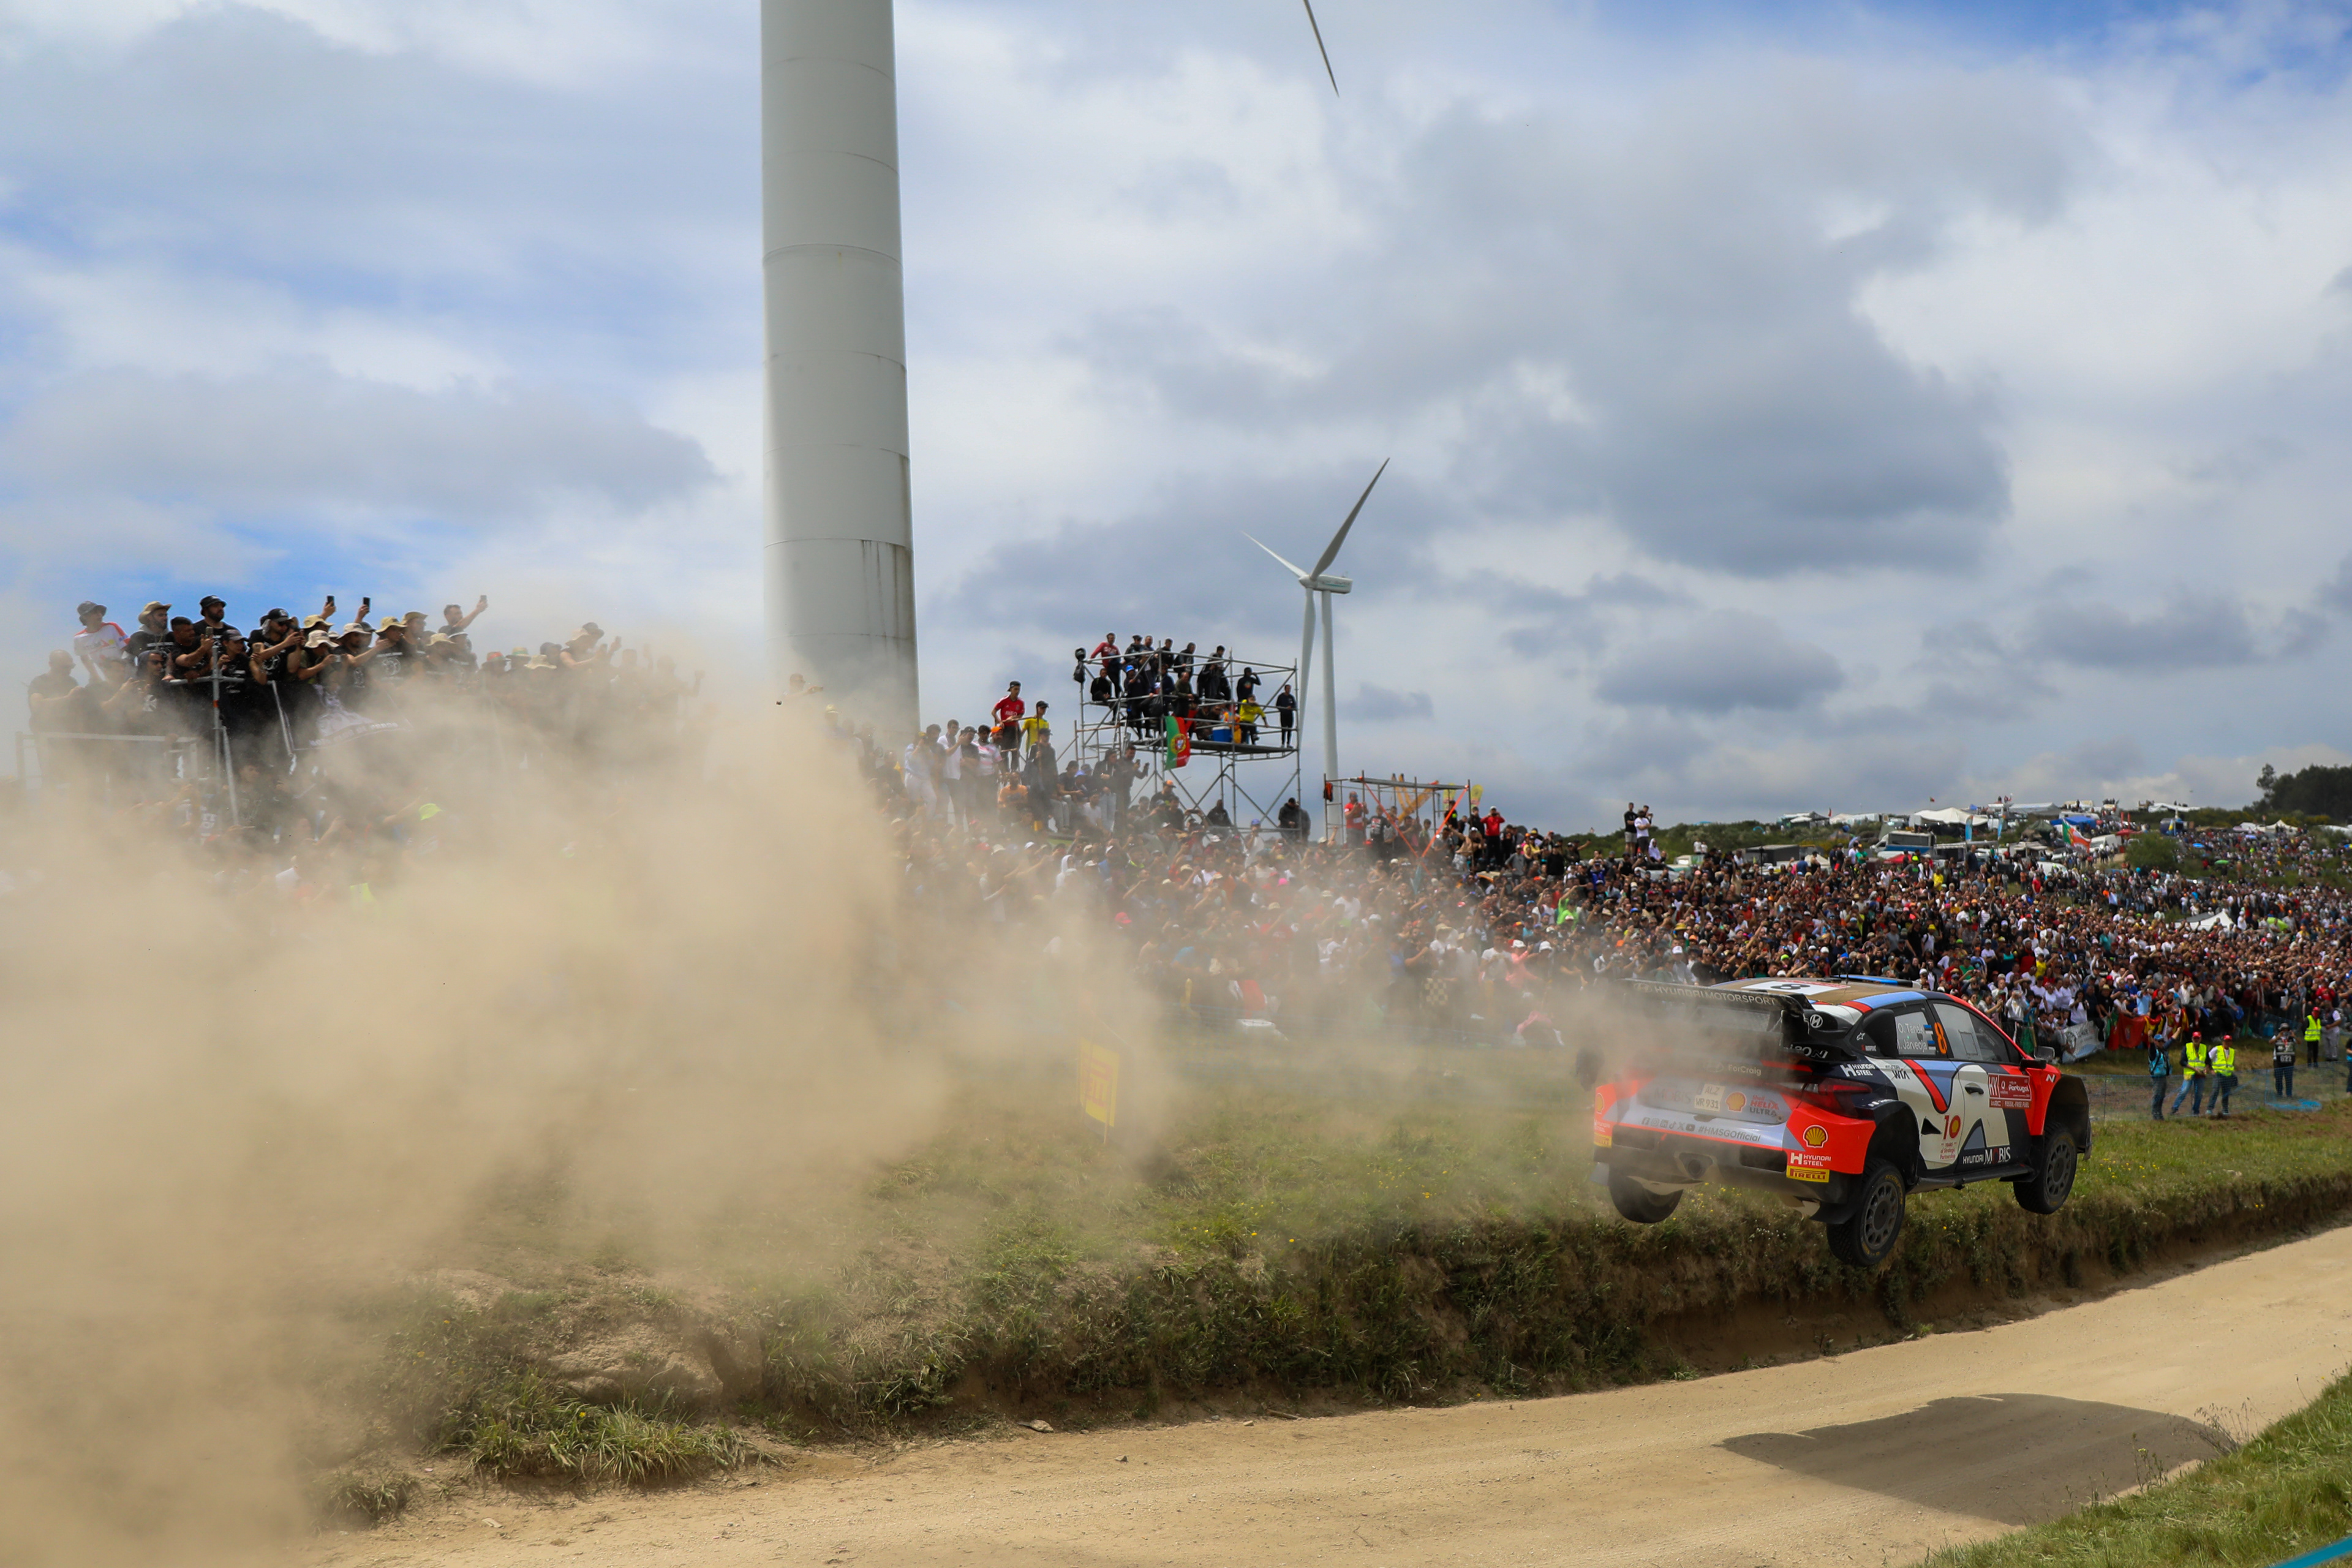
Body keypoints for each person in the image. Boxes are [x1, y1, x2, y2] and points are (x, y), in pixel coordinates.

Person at [71, 601, 130, 685]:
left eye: (100, 612)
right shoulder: (78, 638)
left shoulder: (111, 627)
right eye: (95, 613)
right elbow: (85, 659)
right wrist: (96, 676)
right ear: (85, 617)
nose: (100, 615)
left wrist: (124, 669)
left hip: (124, 674)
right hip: (104, 679)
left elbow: (126, 649)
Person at [2170, 1032, 2209, 1118]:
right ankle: (2174, 1109)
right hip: (2189, 1074)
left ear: (2200, 1039)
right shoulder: (2187, 1047)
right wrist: (2194, 1069)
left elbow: (2208, 1061)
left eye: (2198, 1038)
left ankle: (2196, 1112)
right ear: (2192, 1039)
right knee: (2184, 1091)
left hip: (2201, 1075)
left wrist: (2207, 1068)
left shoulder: (2204, 1048)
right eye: (2195, 1038)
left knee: (2199, 1094)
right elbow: (2182, 1061)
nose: (2196, 1040)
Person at [2209, 1037, 2237, 1118]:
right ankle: (2210, 1109)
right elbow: (2208, 1059)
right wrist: (2210, 1069)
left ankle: (2225, 1110)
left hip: (2228, 1075)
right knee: (2215, 1090)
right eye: (2225, 1041)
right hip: (2218, 1074)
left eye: (2229, 1041)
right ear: (2223, 1042)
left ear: (2231, 1042)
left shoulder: (2232, 1051)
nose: (2227, 1043)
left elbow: (2231, 1063)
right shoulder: (2216, 1049)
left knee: (2226, 1093)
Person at [2147, 1030, 2170, 1120]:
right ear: (2155, 1041)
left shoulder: (2163, 1051)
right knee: (2157, 1095)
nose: (2161, 1043)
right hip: (2157, 1077)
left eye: (2162, 1041)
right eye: (2159, 1041)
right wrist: (2150, 1037)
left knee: (2162, 1096)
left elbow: (2171, 1041)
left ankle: (2159, 1112)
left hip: (2163, 1076)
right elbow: (2152, 1046)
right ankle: (2155, 1114)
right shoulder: (2153, 1052)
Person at [2273, 1030, 2296, 1100]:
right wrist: (2278, 1037)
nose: (2285, 1032)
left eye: (2287, 1030)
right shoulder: (2276, 1036)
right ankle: (2279, 1093)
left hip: (2289, 1061)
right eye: (2283, 1030)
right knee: (2278, 1078)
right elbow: (2270, 1042)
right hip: (2278, 1060)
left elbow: (2299, 1042)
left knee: (2289, 1078)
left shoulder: (2291, 1038)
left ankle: (2289, 1094)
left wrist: (2294, 1036)